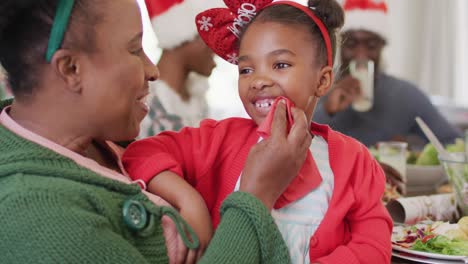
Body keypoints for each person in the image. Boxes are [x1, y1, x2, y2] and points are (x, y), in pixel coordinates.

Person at [0, 0, 314, 263]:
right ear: (71, 69)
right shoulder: (37, 216)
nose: (153, 70)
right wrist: (256, 194)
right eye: (135, 49)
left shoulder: (100, 143)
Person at [122, 0, 393, 263]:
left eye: (280, 65)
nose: (258, 81)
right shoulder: (218, 138)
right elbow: (139, 153)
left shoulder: (355, 160)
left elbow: (373, 247)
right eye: (246, 69)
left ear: (322, 81)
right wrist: (189, 201)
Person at [313, 0, 462, 148]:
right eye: (351, 44)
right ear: (340, 46)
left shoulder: (406, 94)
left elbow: (454, 142)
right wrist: (327, 109)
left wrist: (412, 146)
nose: (361, 55)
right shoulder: (318, 88)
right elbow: (298, 145)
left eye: (371, 46)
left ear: (381, 48)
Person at [139, 0, 223, 138]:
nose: (218, 48)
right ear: (188, 37)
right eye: (210, 35)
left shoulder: (197, 99)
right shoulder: (146, 103)